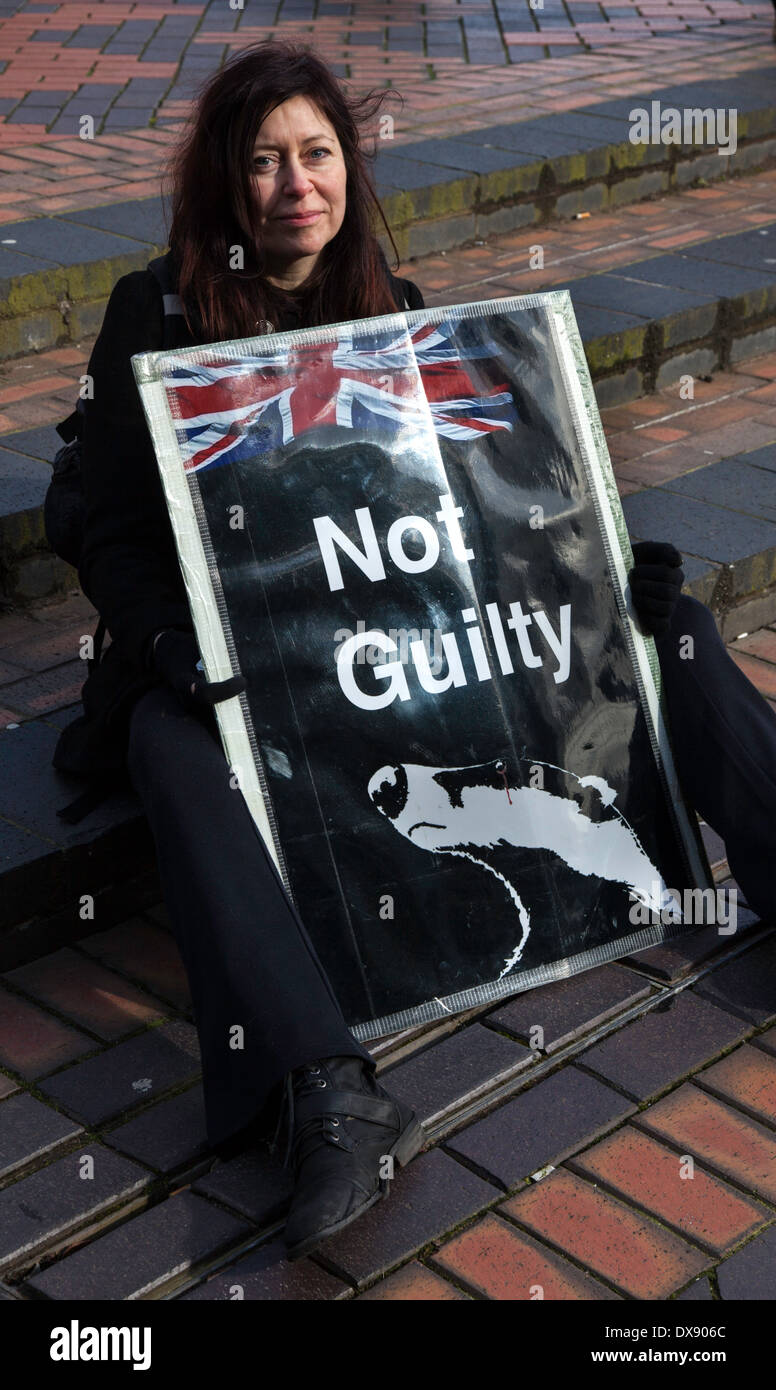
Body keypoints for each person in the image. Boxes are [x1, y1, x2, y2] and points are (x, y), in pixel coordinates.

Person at [72, 39, 775, 1265]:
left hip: (397, 655)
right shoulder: (162, 311)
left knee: (672, 624)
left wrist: (598, 570)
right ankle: (329, 1091)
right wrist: (163, 638)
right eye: (264, 161)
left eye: (318, 154)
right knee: (165, 741)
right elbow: (99, 516)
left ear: (349, 169)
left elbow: (471, 515)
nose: (296, 184)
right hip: (234, 665)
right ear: (223, 190)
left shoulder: (393, 311)